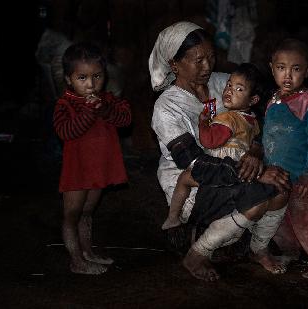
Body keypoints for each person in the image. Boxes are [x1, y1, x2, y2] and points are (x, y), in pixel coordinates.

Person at [150, 21, 290, 282]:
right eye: (198, 60)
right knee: (257, 200)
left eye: (211, 57)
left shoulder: (225, 82)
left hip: (235, 167)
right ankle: (197, 254)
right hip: (192, 183)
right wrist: (252, 174)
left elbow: (256, 125)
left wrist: (256, 154)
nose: (208, 66)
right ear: (174, 64)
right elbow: (193, 162)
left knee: (281, 190)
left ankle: (257, 249)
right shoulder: (167, 108)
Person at [162, 63, 287, 231]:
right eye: (229, 85)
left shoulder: (229, 118)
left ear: (253, 99)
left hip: (221, 166)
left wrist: (203, 123)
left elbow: (209, 141)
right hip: (241, 167)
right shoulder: (253, 120)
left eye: (239, 89)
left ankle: (173, 218)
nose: (229, 91)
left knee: (184, 178)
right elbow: (256, 140)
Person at [53, 42, 131, 274]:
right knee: (72, 214)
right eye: (82, 78)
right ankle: (75, 260)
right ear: (69, 79)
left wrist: (104, 109)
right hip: (77, 171)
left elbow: (125, 119)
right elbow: (66, 132)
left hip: (98, 169)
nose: (91, 84)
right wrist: (88, 111)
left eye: (96, 76)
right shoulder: (64, 105)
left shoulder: (107, 99)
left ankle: (87, 252)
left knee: (87, 212)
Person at [263, 38, 308, 280]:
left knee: (307, 221)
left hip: (302, 179)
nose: (288, 76)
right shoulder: (273, 101)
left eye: (296, 69)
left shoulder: (307, 103)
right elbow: (268, 138)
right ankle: (291, 252)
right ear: (272, 68)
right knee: (279, 220)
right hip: (277, 179)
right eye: (281, 68)